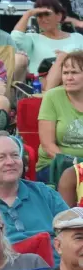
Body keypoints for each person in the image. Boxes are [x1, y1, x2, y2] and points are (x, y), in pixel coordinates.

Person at [36, 52, 83, 183]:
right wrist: (75, 164)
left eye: (74, 73)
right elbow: (47, 144)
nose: (69, 77)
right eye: (65, 73)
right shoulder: (52, 96)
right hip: (56, 165)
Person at [13, 0, 83, 80]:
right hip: (42, 86)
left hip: (73, 82)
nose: (43, 19)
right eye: (39, 15)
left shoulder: (77, 37)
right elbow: (15, 38)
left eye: (47, 14)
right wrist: (28, 14)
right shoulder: (32, 38)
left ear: (59, 16)